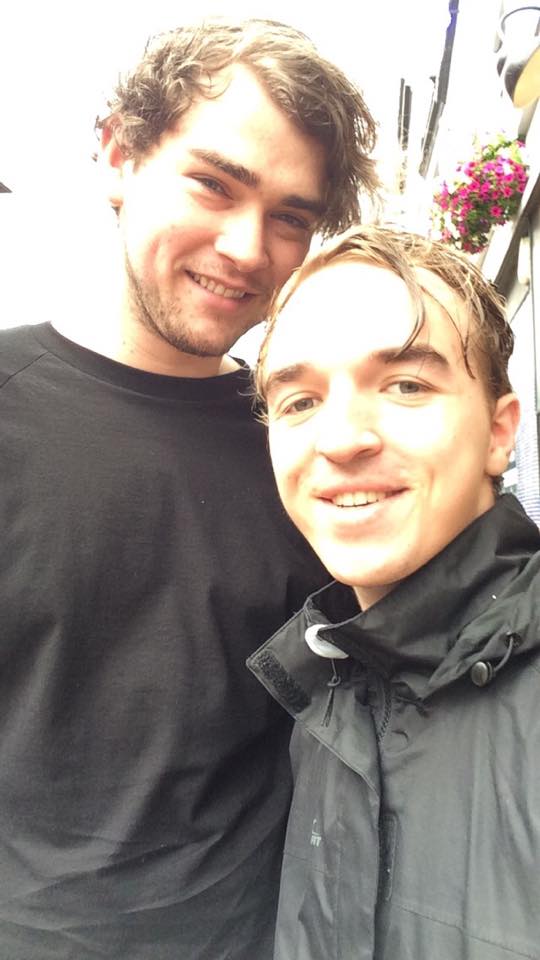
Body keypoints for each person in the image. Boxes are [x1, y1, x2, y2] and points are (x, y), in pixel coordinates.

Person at [0, 20, 378, 960]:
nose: (248, 248)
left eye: (291, 216)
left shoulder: (312, 447)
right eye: (214, 184)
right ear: (119, 155)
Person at [250, 225, 540, 959]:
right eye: (299, 401)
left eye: (407, 385)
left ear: (499, 433)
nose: (341, 439)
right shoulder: (325, 684)